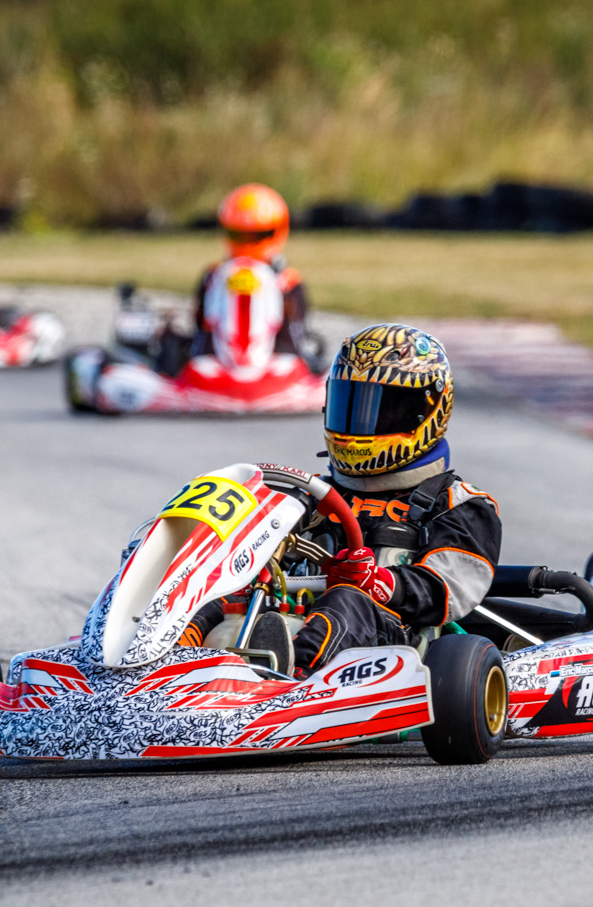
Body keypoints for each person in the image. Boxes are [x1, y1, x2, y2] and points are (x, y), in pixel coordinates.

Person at [182, 323, 502, 675]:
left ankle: (291, 677)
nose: (361, 423)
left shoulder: (458, 504)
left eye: (383, 410)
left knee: (347, 598)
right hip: (292, 614)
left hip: (396, 641)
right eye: (350, 405)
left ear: (428, 412)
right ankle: (169, 661)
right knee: (217, 589)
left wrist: (382, 582)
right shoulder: (309, 495)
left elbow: (446, 591)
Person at [186, 183, 316, 370]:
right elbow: (199, 325)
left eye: (257, 235)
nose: (248, 242)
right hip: (215, 366)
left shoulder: (288, 282)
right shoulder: (213, 276)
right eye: (240, 235)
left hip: (277, 366)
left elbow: (298, 329)